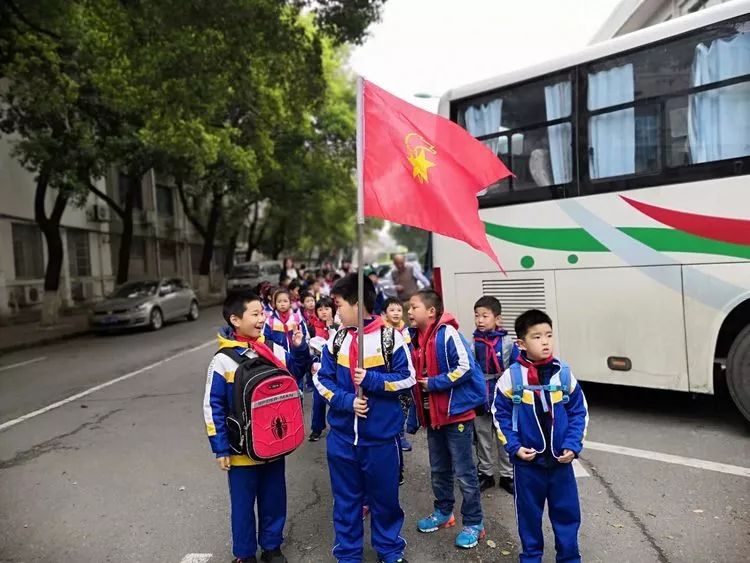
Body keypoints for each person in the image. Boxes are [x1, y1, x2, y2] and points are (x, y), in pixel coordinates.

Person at [313, 274, 415, 563]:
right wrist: (347, 401)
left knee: (385, 500)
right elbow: (322, 380)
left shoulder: (390, 338)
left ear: (357, 304)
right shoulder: (336, 339)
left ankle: (389, 550)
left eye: (339, 305)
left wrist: (372, 380)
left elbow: (407, 378)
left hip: (381, 440)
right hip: (342, 439)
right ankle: (348, 554)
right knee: (346, 502)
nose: (336, 312)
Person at [203, 290, 309, 563]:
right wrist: (220, 448)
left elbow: (297, 373)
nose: (262, 319)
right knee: (242, 505)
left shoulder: (272, 348)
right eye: (255, 314)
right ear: (235, 320)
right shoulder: (222, 360)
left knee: (274, 499)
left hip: (273, 442)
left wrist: (299, 349)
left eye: (262, 313)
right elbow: (213, 406)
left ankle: (272, 547)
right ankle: (245, 554)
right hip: (241, 450)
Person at [492, 309, 589, 563]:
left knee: (567, 514)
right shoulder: (512, 377)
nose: (545, 342)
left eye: (549, 335)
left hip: (560, 463)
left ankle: (569, 558)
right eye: (537, 337)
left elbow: (579, 412)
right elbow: (500, 415)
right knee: (528, 517)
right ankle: (531, 557)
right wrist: (514, 447)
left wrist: (572, 445)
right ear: (521, 344)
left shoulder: (563, 374)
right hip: (528, 464)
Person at [408, 289, 487, 549]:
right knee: (439, 469)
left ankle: (474, 523)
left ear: (431, 311)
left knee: (465, 472)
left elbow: (465, 368)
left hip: (456, 415)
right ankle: (444, 512)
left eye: (414, 307)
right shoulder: (414, 337)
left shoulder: (447, 333)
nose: (409, 312)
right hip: (434, 417)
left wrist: (435, 383)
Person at [472, 296, 518, 495]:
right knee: (482, 436)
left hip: (503, 398)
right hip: (480, 397)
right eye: (477, 316)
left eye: (485, 316)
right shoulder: (473, 343)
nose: (480, 320)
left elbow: (517, 369)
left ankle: (508, 475)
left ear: (497, 319)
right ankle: (486, 473)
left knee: (504, 435)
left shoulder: (507, 343)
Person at [382, 297, 413, 453]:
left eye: (399, 310)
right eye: (392, 310)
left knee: (404, 406)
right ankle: (391, 435)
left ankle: (400, 435)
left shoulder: (406, 331)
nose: (396, 313)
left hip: (405, 376)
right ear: (384, 314)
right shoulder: (382, 331)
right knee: (390, 407)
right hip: (389, 377)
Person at [308, 296, 339, 442]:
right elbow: (308, 350)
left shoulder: (339, 326)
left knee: (336, 397)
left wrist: (331, 327)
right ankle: (316, 428)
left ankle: (337, 427)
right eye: (320, 309)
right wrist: (311, 364)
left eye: (327, 308)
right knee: (318, 399)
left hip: (336, 367)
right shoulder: (312, 327)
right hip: (318, 367)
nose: (324, 312)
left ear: (333, 310)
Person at [263, 288, 310, 355]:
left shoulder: (297, 318)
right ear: (275, 303)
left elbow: (306, 336)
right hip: (278, 356)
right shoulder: (270, 321)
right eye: (279, 301)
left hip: (297, 355)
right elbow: (266, 340)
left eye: (285, 301)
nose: (282, 304)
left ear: (290, 302)